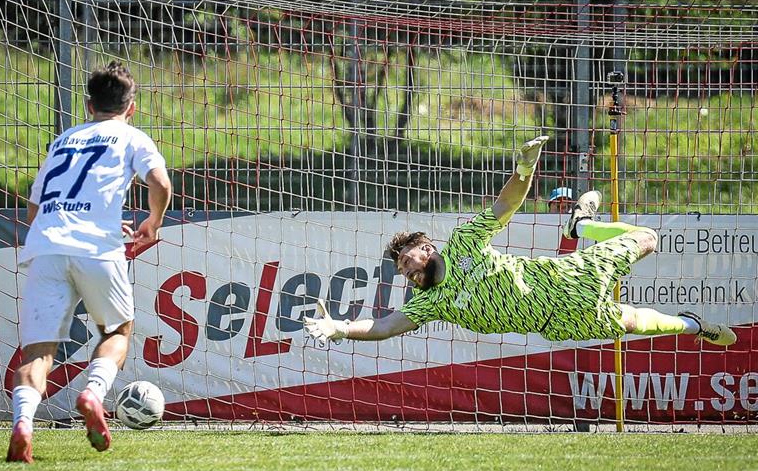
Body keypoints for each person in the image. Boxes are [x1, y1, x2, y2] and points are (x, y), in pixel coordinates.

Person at [304, 135, 736, 348]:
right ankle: (694, 324)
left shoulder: (462, 245)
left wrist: (524, 170)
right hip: (559, 323)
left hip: (568, 279)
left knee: (648, 238)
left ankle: (580, 228)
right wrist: (341, 328)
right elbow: (383, 327)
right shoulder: (427, 304)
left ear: (426, 247)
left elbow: (504, 208)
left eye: (407, 261)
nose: (407, 272)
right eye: (402, 271)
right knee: (630, 323)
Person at [6, 61, 172, 463]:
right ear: (131, 108)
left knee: (37, 354)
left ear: (87, 105)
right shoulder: (132, 137)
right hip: (98, 249)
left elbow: (34, 209)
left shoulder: (63, 140)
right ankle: (93, 393)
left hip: (45, 248)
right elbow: (161, 183)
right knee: (118, 331)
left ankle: (24, 425)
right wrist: (152, 222)